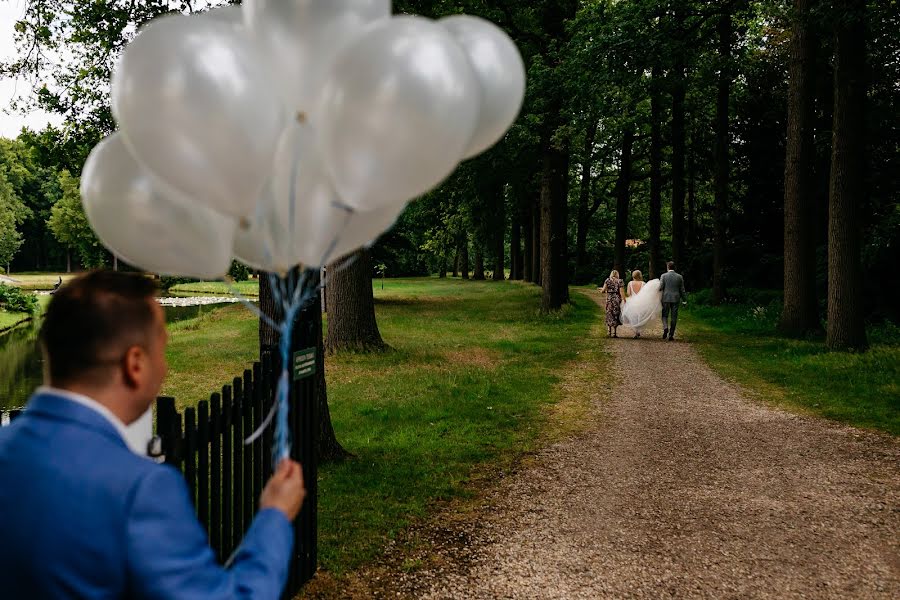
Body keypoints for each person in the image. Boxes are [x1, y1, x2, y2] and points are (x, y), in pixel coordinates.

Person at [0, 270, 306, 599]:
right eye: (162, 347)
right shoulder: (141, 491)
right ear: (135, 364)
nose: (165, 366)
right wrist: (274, 517)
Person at [620, 270, 662, 338]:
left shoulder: (630, 283)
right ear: (640, 275)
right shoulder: (643, 283)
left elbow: (628, 293)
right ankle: (638, 331)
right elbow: (646, 294)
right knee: (640, 316)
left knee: (633, 317)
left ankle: (636, 331)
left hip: (632, 302)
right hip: (641, 302)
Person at [658, 261, 687, 341]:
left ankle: (665, 327)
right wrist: (684, 300)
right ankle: (671, 334)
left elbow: (660, 287)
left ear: (668, 267)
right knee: (674, 316)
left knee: (664, 315)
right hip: (676, 298)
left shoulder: (663, 276)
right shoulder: (679, 277)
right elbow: (682, 290)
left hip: (665, 298)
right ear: (674, 267)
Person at [600, 269, 626, 337]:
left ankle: (609, 331)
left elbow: (603, 290)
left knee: (609, 313)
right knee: (615, 314)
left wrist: (602, 290)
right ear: (617, 274)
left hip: (609, 299)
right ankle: (614, 333)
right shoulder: (620, 281)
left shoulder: (607, 280)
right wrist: (624, 300)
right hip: (616, 299)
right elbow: (621, 292)